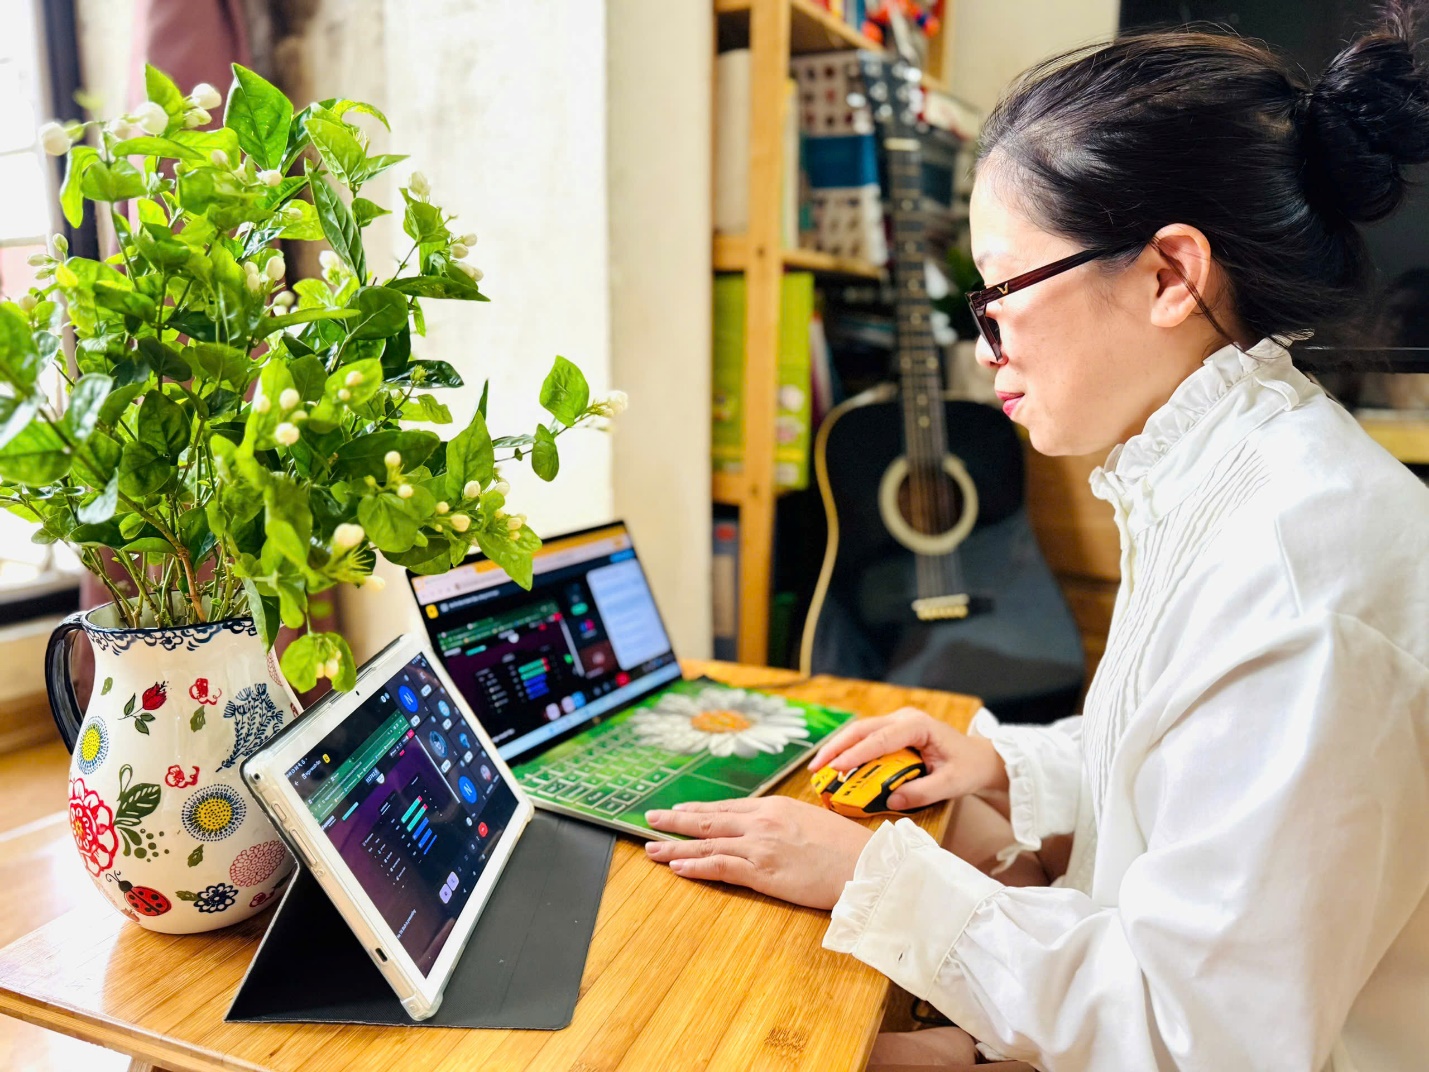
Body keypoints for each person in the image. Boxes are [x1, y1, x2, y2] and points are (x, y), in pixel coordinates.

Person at [645, 5, 1429, 1069]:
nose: (986, 350)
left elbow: (1198, 1035)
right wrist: (1004, 766)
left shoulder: (1297, 580)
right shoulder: (1218, 471)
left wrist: (872, 879)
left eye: (1001, 296)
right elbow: (1185, 765)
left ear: (1165, 275)